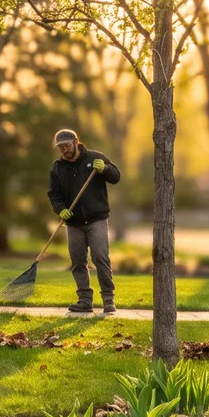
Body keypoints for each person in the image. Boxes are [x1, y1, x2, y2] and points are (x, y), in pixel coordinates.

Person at [47, 129, 122, 314]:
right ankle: (85, 300)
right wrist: (60, 209)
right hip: (73, 223)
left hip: (97, 219)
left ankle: (108, 299)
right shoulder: (57, 167)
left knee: (100, 257)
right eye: (61, 147)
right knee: (78, 261)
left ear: (76, 142)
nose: (64, 150)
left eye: (67, 145)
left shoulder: (95, 157)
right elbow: (54, 194)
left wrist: (105, 169)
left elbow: (116, 177)